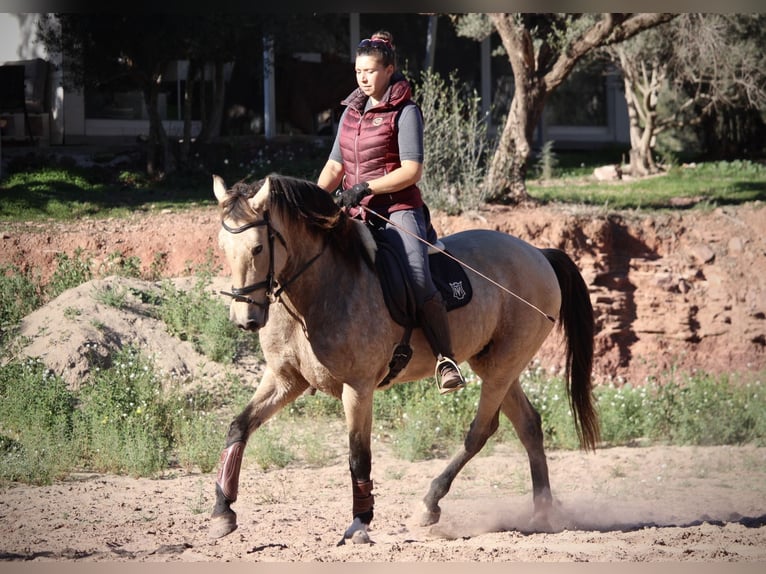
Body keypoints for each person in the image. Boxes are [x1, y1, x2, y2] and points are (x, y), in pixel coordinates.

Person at [317, 30, 465, 394]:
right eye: (357, 72)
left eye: (369, 71)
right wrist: (315, 200)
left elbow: (411, 170)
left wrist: (366, 187)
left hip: (398, 209)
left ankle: (446, 359)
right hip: (354, 209)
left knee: (417, 278)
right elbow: (335, 165)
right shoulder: (350, 113)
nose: (363, 78)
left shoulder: (406, 112)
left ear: (389, 70)